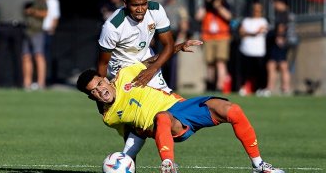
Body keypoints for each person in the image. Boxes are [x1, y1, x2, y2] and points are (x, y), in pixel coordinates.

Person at [76, 40, 285, 173]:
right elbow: (133, 135)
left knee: (231, 109)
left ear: (105, 79)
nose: (100, 90)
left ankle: (259, 165)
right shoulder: (110, 117)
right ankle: (168, 166)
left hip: (182, 106)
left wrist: (178, 47)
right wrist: (127, 161)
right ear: (90, 96)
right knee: (161, 117)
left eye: (100, 83)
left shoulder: (125, 75)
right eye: (93, 91)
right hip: (168, 125)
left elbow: (152, 61)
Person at [97, 0, 175, 94]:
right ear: (125, 3)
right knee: (137, 107)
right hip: (123, 70)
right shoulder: (112, 27)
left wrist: (152, 69)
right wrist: (103, 91)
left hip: (149, 62)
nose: (140, 9)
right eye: (135, 5)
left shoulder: (156, 10)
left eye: (143, 4)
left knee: (169, 102)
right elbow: (103, 64)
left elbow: (169, 45)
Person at [0, 0, 49, 88]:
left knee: (0, 57)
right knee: (17, 57)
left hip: (2, 28)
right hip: (17, 29)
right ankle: (18, 83)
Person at [195, 0, 232, 92]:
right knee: (209, 63)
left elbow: (229, 17)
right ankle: (210, 84)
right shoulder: (207, 7)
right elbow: (198, 17)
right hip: (208, 37)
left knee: (221, 62)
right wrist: (207, 5)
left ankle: (220, 86)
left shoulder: (224, 6)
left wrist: (218, 7)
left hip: (222, 37)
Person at [258, 0, 292, 97]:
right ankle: (285, 88)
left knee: (273, 65)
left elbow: (282, 27)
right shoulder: (287, 14)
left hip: (279, 42)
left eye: (276, 2)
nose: (274, 5)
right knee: (281, 65)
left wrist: (279, 37)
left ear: (283, 3)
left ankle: (270, 88)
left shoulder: (283, 14)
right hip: (283, 42)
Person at [238, 2, 269, 96]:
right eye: (255, 9)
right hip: (246, 50)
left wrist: (248, 33)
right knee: (245, 71)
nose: (256, 11)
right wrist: (252, 33)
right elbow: (241, 32)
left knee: (260, 71)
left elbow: (259, 32)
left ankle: (262, 89)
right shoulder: (246, 20)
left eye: (258, 9)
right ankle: (243, 88)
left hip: (258, 51)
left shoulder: (263, 21)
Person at [22, 0, 48, 90]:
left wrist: (33, 11)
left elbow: (45, 13)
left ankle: (41, 83)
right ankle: (27, 83)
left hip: (36, 30)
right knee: (26, 56)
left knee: (38, 56)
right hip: (25, 30)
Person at [42, 0, 60, 85]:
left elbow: (55, 17)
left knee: (44, 56)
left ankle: (43, 79)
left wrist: (52, 28)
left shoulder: (54, 1)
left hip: (47, 32)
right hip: (38, 31)